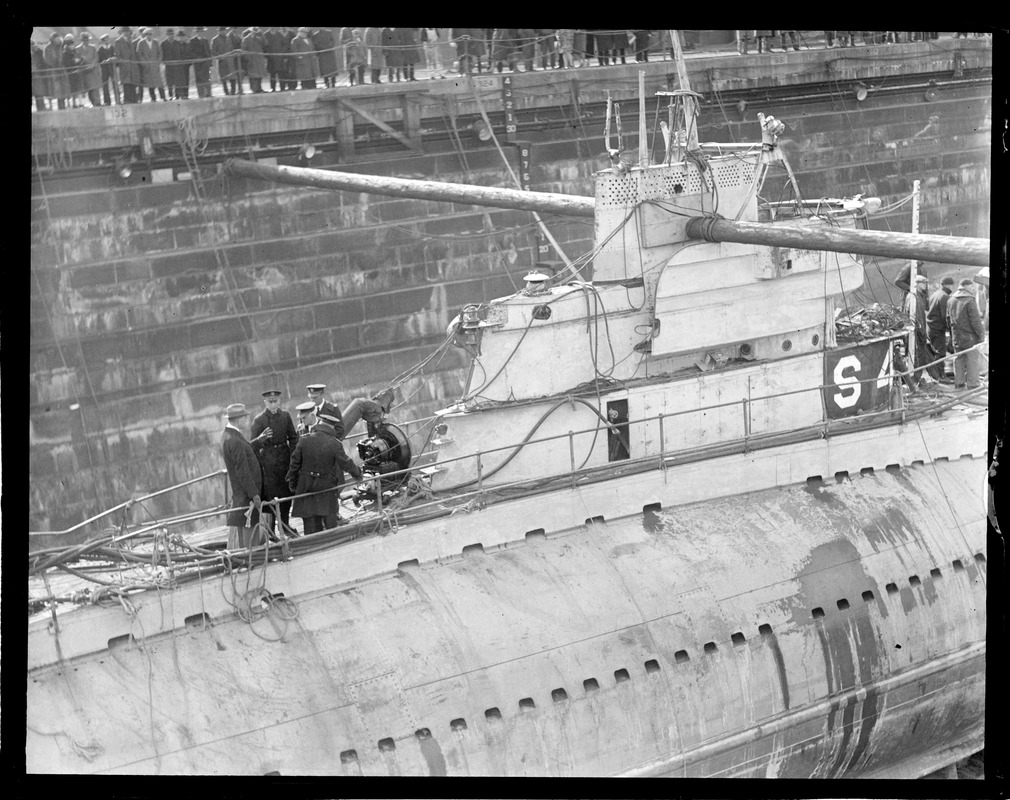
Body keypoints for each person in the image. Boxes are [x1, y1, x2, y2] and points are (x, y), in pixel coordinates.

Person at [286, 403, 362, 535]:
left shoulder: (304, 440)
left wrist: (293, 484)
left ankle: (311, 546)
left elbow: (294, 465)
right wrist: (358, 474)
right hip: (326, 489)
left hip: (306, 487)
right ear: (332, 427)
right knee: (330, 524)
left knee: (310, 526)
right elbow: (346, 463)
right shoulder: (334, 443)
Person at [250, 390, 299, 536]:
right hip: (269, 463)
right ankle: (271, 530)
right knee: (272, 496)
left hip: (285, 460)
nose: (273, 404)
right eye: (270, 401)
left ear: (279, 401)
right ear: (265, 402)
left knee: (286, 493)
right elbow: (251, 446)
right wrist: (261, 439)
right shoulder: (259, 420)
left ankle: (285, 525)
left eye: (275, 401)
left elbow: (293, 437)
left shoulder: (285, 416)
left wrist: (293, 455)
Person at [221, 403, 264, 549]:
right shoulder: (235, 441)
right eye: (246, 418)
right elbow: (242, 471)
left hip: (242, 495)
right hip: (247, 497)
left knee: (247, 532)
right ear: (238, 420)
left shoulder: (229, 436)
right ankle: (251, 560)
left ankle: (248, 558)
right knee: (250, 534)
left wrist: (257, 442)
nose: (248, 421)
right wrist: (254, 495)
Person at [947, 278, 985, 389]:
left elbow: (948, 319)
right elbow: (976, 321)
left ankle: (959, 383)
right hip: (970, 337)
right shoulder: (970, 300)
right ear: (966, 287)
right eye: (972, 286)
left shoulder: (951, 300)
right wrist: (981, 336)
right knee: (972, 359)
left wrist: (951, 334)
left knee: (958, 359)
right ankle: (973, 384)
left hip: (956, 336)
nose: (973, 289)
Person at [925, 276, 955, 382]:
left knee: (936, 351)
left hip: (930, 327)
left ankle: (937, 375)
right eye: (952, 285)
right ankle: (941, 377)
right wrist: (950, 329)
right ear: (949, 285)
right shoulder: (944, 297)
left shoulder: (935, 294)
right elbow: (945, 316)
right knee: (940, 352)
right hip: (938, 329)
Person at [911, 275, 931, 386]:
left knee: (919, 357)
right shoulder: (915, 297)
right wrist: (922, 333)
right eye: (923, 283)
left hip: (919, 331)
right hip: (918, 333)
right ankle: (914, 381)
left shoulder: (918, 296)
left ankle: (916, 380)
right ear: (917, 284)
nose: (925, 285)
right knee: (918, 357)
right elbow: (917, 317)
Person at [137, 27, 166, 102]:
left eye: (151, 34)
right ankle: (153, 98)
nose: (149, 36)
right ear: (145, 35)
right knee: (150, 84)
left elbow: (160, 52)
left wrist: (158, 62)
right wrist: (145, 63)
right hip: (147, 66)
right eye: (148, 34)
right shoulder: (141, 43)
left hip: (155, 66)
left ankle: (163, 97)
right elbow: (139, 54)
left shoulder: (156, 42)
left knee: (159, 83)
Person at [113, 26, 140, 104]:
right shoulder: (118, 41)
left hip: (132, 66)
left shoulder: (130, 41)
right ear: (122, 32)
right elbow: (117, 55)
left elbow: (134, 54)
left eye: (128, 31)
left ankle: (134, 99)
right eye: (125, 31)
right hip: (124, 67)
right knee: (126, 84)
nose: (127, 33)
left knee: (133, 83)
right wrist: (123, 61)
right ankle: (127, 100)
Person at [76, 32, 102, 107]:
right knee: (88, 88)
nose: (86, 41)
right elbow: (77, 60)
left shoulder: (93, 48)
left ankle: (97, 103)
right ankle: (92, 102)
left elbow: (96, 57)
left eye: (87, 40)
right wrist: (83, 64)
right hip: (84, 72)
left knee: (95, 88)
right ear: (81, 40)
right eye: (84, 40)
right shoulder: (78, 49)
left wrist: (92, 64)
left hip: (93, 71)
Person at [212, 27, 238, 95]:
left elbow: (232, 49)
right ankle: (226, 91)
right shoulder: (215, 40)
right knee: (223, 78)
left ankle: (233, 91)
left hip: (230, 61)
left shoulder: (228, 38)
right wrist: (220, 56)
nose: (223, 32)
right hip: (222, 62)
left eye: (224, 31)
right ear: (218, 31)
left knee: (232, 77)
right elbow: (213, 51)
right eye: (221, 31)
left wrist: (232, 56)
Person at [242, 27, 267, 93]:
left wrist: (261, 34)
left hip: (259, 59)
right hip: (251, 60)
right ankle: (254, 89)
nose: (255, 32)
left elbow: (265, 44)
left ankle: (259, 88)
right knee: (253, 75)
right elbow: (243, 50)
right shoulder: (246, 39)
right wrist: (248, 59)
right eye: (254, 31)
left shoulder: (259, 39)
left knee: (260, 74)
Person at [190, 27, 212, 98]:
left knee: (207, 78)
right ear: (196, 32)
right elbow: (191, 52)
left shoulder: (205, 40)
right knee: (199, 79)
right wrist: (197, 59)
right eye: (199, 31)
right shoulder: (192, 41)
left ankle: (208, 93)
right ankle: (201, 94)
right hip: (198, 64)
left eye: (202, 31)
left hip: (205, 63)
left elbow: (208, 51)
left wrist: (209, 61)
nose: (201, 33)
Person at [264, 26, 288, 92]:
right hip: (271, 59)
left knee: (281, 74)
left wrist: (281, 53)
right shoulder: (266, 35)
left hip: (280, 58)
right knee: (272, 75)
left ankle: (282, 88)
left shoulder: (279, 34)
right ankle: (273, 88)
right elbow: (264, 46)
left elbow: (284, 45)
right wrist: (268, 55)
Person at [97, 34, 119, 105]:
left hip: (112, 68)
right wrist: (102, 62)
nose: (107, 41)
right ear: (103, 41)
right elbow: (99, 60)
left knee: (115, 84)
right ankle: (107, 101)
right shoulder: (100, 49)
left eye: (107, 39)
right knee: (105, 85)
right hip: (105, 69)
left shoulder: (112, 47)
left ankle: (118, 99)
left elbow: (116, 56)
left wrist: (113, 61)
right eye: (105, 40)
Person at [31, 40, 49, 111]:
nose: (35, 47)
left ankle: (41, 107)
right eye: (33, 46)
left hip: (37, 76)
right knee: (38, 92)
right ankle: (41, 107)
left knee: (39, 93)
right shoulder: (33, 54)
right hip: (35, 75)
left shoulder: (36, 53)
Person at [161, 29, 179, 99]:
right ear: (167, 35)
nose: (171, 36)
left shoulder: (177, 43)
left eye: (172, 34)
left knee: (177, 80)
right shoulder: (163, 44)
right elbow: (162, 54)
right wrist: (164, 62)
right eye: (169, 34)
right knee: (169, 81)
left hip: (176, 65)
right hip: (168, 65)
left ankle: (177, 95)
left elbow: (178, 53)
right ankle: (170, 95)